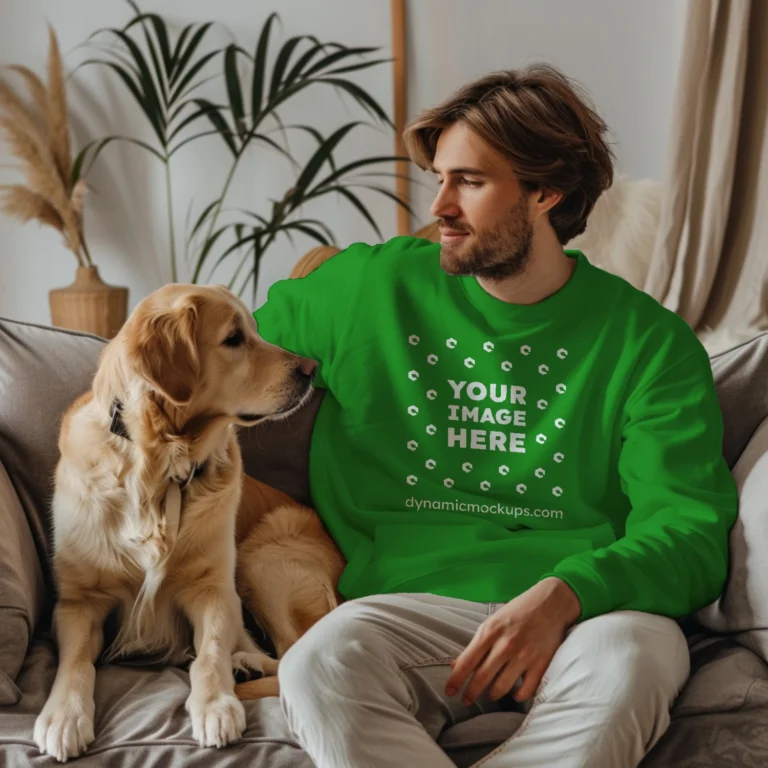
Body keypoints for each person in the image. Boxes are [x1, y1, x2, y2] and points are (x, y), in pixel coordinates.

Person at [252, 64, 738, 768]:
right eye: (440, 178)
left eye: (470, 183)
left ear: (547, 192)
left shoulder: (648, 343)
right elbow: (215, 352)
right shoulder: (367, 288)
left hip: (590, 616)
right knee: (319, 663)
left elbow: (691, 536)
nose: (440, 206)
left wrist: (570, 593)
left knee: (633, 658)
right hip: (411, 609)